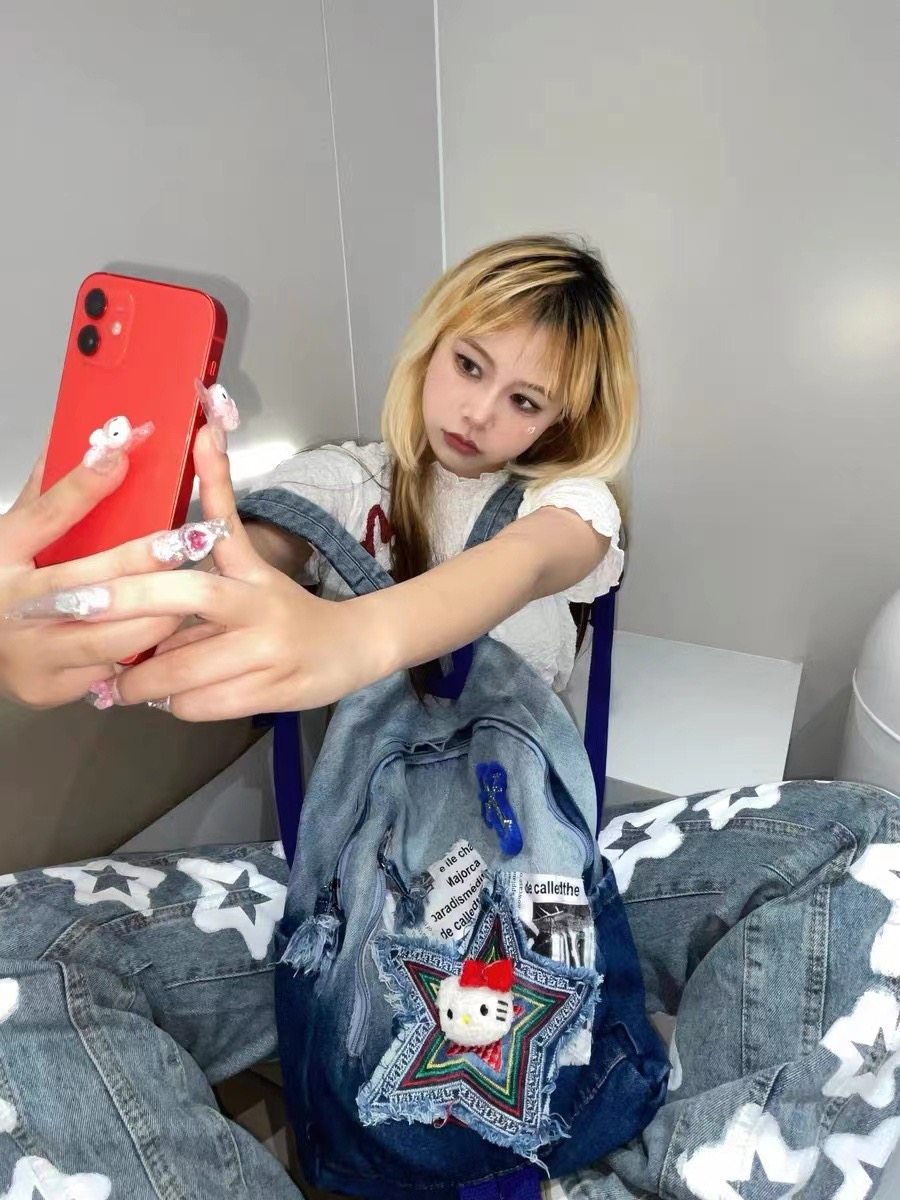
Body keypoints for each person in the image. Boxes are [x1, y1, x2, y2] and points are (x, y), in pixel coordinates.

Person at [0, 236, 897, 1199]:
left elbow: (524, 563)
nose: (480, 413)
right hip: (344, 880)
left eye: (525, 401)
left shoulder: (568, 504)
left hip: (542, 874)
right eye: (470, 365)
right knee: (20, 941)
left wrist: (356, 635)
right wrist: (104, 624)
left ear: (563, 420)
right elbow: (249, 554)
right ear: (430, 345)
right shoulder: (344, 480)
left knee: (865, 840)